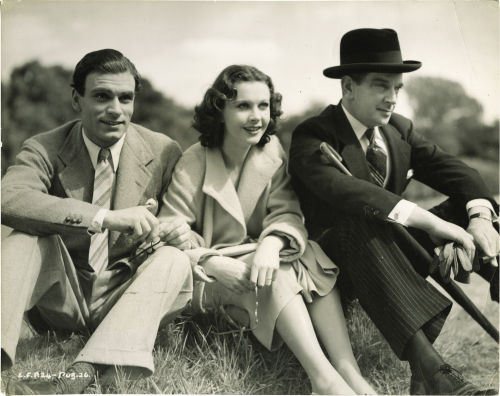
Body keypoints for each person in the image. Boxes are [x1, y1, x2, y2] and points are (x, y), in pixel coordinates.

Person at [288, 28, 499, 395]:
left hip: (393, 252)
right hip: (341, 267)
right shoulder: (313, 134)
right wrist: (435, 226)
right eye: (381, 86)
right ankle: (433, 373)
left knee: (480, 207)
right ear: (348, 87)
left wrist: (478, 220)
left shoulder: (398, 130)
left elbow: (459, 173)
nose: (392, 99)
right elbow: (353, 194)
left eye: (398, 88)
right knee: (360, 221)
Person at [158, 64, 376, 395]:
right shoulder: (194, 160)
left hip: (260, 263)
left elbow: (287, 212)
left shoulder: (270, 151)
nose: (257, 117)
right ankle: (324, 381)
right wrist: (211, 262)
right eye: (243, 106)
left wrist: (271, 244)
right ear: (219, 111)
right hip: (209, 276)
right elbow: (167, 235)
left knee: (308, 258)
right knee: (282, 273)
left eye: (263, 105)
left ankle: (351, 374)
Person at [2, 49, 194, 394]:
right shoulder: (45, 147)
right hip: (62, 297)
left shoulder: (164, 150)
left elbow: (183, 226)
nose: (115, 110)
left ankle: (84, 371)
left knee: (175, 258)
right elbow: (8, 198)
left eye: (125, 98)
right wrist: (105, 217)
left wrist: (180, 232)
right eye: (102, 96)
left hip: (126, 296)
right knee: (21, 238)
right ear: (77, 99)